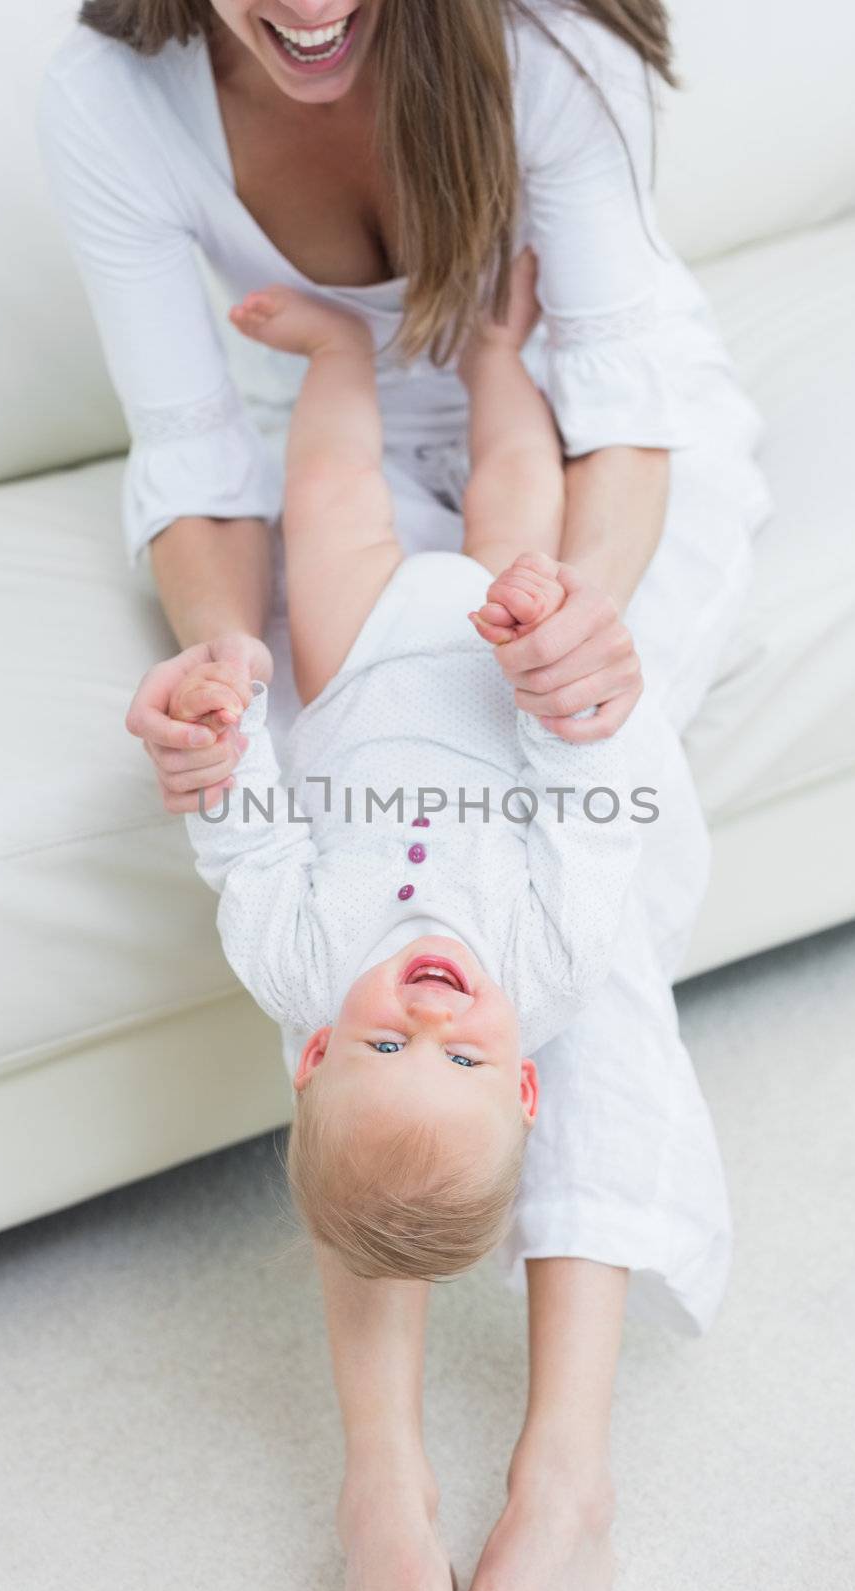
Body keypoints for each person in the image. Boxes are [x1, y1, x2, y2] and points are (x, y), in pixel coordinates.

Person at [36, 0, 775, 1591]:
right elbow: (193, 459)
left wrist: (569, 634)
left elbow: (622, 411)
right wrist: (225, 675)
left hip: (584, 455)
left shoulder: (546, 53)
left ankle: (559, 1470)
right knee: (517, 943)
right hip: (325, 476)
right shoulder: (113, 102)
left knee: (594, 909)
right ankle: (387, 1472)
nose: (306, 11)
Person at [172, 261, 643, 1282]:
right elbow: (587, 819)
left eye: (385, 1049)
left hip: (357, 670)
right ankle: (490, 352)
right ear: (521, 1084)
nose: (431, 1021)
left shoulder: (294, 968)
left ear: (314, 1055)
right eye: (463, 1058)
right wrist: (552, 686)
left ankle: (337, 351)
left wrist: (226, 730)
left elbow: (250, 843)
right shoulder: (553, 968)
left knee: (328, 499)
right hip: (495, 675)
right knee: (519, 481)